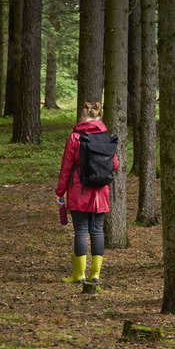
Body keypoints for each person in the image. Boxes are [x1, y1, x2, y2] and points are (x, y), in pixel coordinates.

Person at [55, 102, 119, 284]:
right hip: (101, 193)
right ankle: (96, 275)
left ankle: (78, 274)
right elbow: (115, 165)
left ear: (82, 117)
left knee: (81, 231)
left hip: (79, 191)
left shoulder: (75, 137)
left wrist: (60, 192)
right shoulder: (106, 137)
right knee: (97, 231)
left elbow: (66, 168)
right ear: (99, 118)